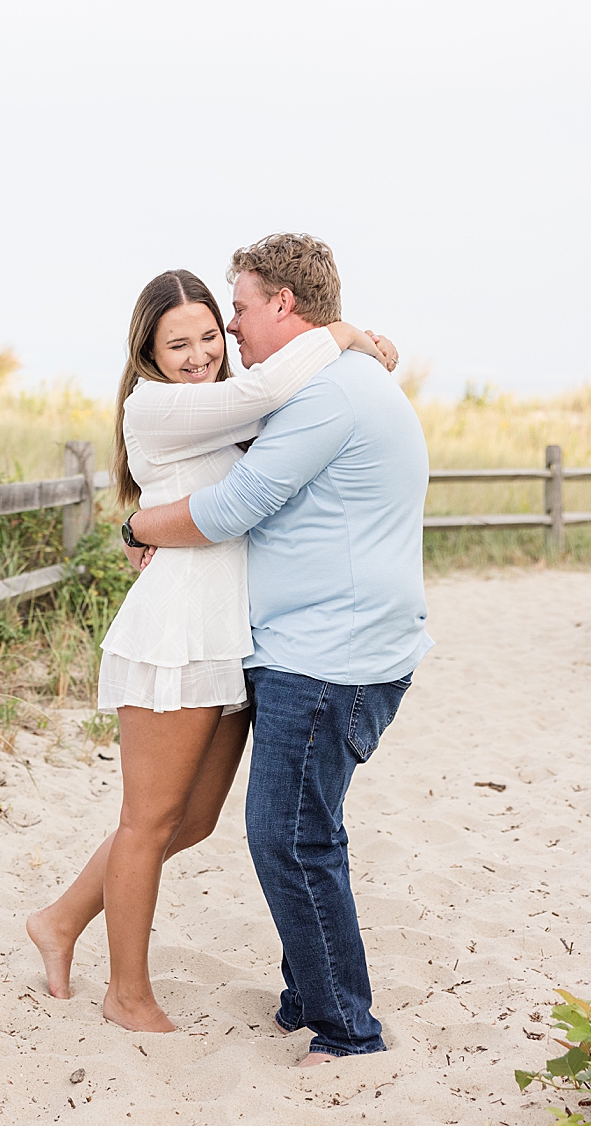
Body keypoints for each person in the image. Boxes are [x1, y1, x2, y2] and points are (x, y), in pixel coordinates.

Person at [25, 266, 397, 1034]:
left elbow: (275, 423)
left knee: (190, 820)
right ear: (149, 353)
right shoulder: (159, 406)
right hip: (179, 630)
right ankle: (126, 994)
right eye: (178, 342)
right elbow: (259, 394)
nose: (198, 354)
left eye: (207, 336)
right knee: (148, 821)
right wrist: (345, 332)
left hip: (229, 637)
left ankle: (60, 918)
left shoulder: (217, 412)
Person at [125, 232, 431, 1062]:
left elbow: (234, 507)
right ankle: (308, 996)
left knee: (290, 835)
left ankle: (345, 1030)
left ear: (281, 305)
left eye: (242, 303)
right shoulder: (328, 382)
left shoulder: (330, 394)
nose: (233, 323)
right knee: (300, 825)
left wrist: (135, 523)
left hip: (332, 656)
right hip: (321, 644)